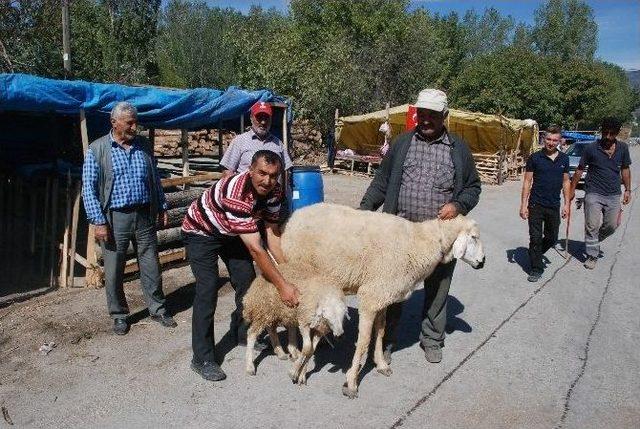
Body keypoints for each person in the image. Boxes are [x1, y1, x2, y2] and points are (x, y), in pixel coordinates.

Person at [359, 88, 481, 364]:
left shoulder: (458, 149)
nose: (425, 120)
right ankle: (385, 341)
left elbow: (473, 187)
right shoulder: (402, 144)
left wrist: (459, 205)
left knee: (438, 289)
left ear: (444, 116)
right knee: (392, 289)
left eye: (432, 116)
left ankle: (432, 339)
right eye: (421, 114)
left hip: (439, 237)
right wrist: (362, 213)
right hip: (400, 234)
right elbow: (381, 182)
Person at [182, 150, 300, 382]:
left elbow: (271, 234)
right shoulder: (236, 193)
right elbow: (257, 249)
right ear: (250, 170)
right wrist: (283, 286)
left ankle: (243, 332)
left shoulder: (275, 191)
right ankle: (202, 357)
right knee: (207, 290)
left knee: (246, 281)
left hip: (231, 233)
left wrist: (290, 272)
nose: (267, 180)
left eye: (274, 175)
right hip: (201, 232)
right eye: (262, 173)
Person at [82, 102, 176, 335]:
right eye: (130, 122)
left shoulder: (144, 146)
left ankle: (158, 308)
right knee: (114, 268)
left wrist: (162, 206)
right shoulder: (98, 149)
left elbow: (155, 179)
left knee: (151, 263)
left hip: (144, 214)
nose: (135, 126)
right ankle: (119, 314)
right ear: (114, 123)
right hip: (115, 218)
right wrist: (98, 221)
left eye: (135, 121)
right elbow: (89, 189)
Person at [569, 117, 632, 270]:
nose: (608, 137)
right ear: (601, 131)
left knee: (611, 225)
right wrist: (571, 189)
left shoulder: (623, 148)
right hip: (593, 192)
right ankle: (592, 255)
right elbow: (579, 169)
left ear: (617, 133)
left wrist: (628, 190)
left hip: (613, 193)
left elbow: (625, 169)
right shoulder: (591, 148)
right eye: (605, 133)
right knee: (591, 225)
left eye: (612, 134)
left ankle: (594, 240)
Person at [519, 125, 571, 282]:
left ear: (559, 141)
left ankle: (535, 252)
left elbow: (566, 181)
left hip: (554, 205)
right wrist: (523, 204)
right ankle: (536, 268)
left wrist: (567, 204)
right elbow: (527, 181)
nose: (551, 142)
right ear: (544, 139)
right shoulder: (535, 158)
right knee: (535, 237)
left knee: (552, 237)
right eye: (548, 139)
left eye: (555, 140)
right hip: (536, 204)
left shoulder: (564, 159)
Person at [220, 101, 293, 179]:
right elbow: (227, 171)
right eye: (259, 117)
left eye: (266, 118)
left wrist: (285, 190)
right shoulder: (239, 141)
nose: (263, 122)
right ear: (251, 118)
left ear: (271, 119)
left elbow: (286, 172)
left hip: (273, 190)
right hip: (246, 190)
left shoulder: (278, 143)